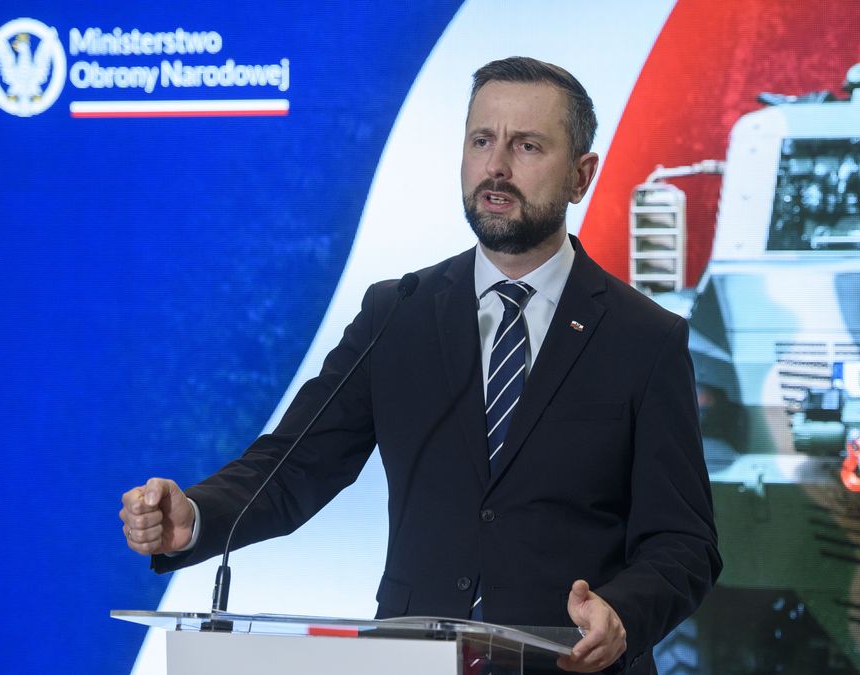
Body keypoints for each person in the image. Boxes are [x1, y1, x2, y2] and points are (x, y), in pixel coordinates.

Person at [120, 56, 721, 674]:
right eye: (481, 141)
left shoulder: (644, 338)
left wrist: (623, 613)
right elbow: (296, 464)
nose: (496, 166)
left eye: (527, 146)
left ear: (581, 175)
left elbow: (685, 542)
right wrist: (198, 517)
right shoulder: (397, 313)